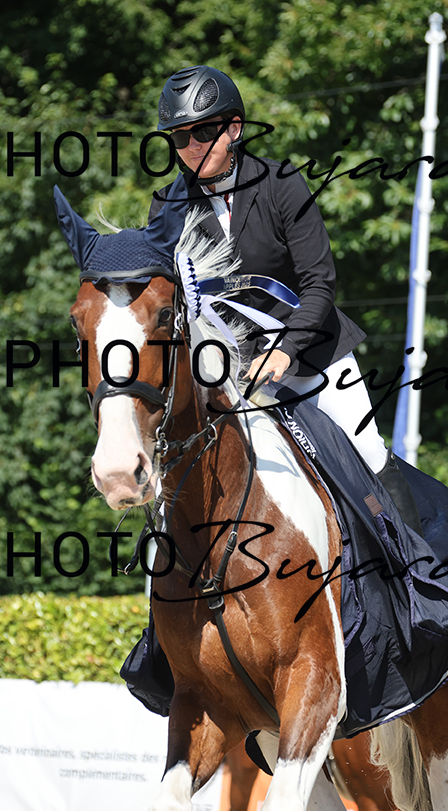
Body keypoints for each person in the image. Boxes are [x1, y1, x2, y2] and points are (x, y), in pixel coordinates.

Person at [149, 65, 422, 534]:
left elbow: (320, 282)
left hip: (314, 351)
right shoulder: (168, 205)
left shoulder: (281, 182)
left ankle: (417, 566)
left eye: (204, 132)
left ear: (234, 129)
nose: (192, 146)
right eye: (180, 137)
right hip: (233, 369)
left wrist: (286, 351)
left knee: (368, 454)